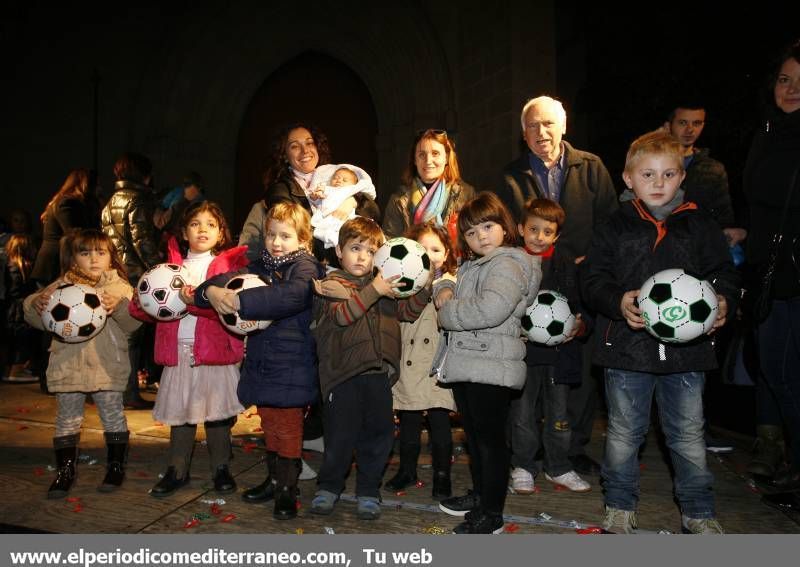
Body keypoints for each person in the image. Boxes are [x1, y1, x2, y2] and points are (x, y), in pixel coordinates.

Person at [581, 130, 740, 534]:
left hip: (688, 354)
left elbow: (724, 273)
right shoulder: (614, 226)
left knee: (687, 434)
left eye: (668, 174)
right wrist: (616, 301)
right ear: (628, 179)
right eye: (648, 174)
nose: (658, 183)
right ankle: (619, 505)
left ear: (682, 177)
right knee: (623, 432)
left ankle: (699, 511)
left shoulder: (700, 225)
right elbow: (593, 278)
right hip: (626, 349)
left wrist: (723, 300)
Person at [499, 95, 619, 477]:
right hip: (529, 282)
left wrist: (594, 263)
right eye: (533, 125)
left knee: (575, 371)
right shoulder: (509, 176)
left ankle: (572, 448)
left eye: (548, 123)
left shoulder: (592, 167)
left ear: (563, 126)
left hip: (581, 283)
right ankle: (524, 452)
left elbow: (610, 223)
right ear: (523, 134)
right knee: (527, 377)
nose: (542, 132)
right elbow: (503, 229)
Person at [195, 202, 324, 520]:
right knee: (269, 422)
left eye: (285, 235)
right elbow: (212, 286)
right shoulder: (259, 267)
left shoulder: (306, 268)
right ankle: (274, 479)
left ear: (303, 240)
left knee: (289, 427)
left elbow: (290, 296)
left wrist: (238, 299)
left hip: (293, 361)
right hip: (263, 361)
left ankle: (287, 490)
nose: (276, 242)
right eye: (270, 235)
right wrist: (210, 292)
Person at [310, 217, 431, 520]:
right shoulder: (331, 285)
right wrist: (374, 290)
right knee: (340, 436)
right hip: (343, 376)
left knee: (379, 436)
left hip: (378, 376)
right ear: (339, 251)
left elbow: (408, 312)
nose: (362, 256)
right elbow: (342, 316)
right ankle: (329, 487)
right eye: (355, 248)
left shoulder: (384, 286)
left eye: (370, 250)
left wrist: (423, 284)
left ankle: (367, 489)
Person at [434, 192, 541, 534]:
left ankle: (492, 513)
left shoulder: (507, 262)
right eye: (471, 232)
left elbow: (490, 309)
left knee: (490, 442)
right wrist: (445, 288)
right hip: (472, 361)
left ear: (505, 226)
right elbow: (458, 288)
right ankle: (482, 495)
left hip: (490, 364)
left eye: (488, 226)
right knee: (477, 439)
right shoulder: (476, 265)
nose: (481, 236)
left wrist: (446, 312)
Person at [129, 202, 248, 498]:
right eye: (195, 224)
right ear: (184, 232)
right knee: (181, 414)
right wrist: (141, 300)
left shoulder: (226, 269)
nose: (203, 229)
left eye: (210, 223)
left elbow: (230, 311)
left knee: (217, 415)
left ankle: (221, 468)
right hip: (178, 353)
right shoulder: (167, 269)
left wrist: (195, 301)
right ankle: (177, 469)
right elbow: (146, 311)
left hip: (213, 354)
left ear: (221, 232)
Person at [23, 229, 141, 498]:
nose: (93, 258)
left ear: (111, 257)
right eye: (85, 252)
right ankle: (65, 470)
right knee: (67, 419)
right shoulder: (61, 286)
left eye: (100, 252)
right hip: (69, 364)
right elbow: (33, 316)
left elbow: (135, 322)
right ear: (73, 258)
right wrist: (35, 303)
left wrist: (121, 307)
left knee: (112, 415)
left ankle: (115, 466)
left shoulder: (119, 287)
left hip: (106, 364)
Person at [743, 39, 800, 495]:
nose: (792, 88)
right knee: (775, 369)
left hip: (795, 273)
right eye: (785, 79)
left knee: (785, 372)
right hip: (769, 270)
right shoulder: (768, 129)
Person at [508, 198, 591, 495]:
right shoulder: (511, 263)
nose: (539, 237)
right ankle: (523, 466)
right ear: (520, 229)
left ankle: (558, 466)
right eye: (533, 229)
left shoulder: (567, 265)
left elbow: (583, 307)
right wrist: (511, 328)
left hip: (560, 356)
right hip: (524, 355)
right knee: (522, 414)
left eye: (547, 232)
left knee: (559, 414)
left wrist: (580, 327)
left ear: (556, 235)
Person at [385, 222, 457, 500]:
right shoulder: (403, 285)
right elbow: (407, 314)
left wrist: (442, 286)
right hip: (411, 361)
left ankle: (442, 474)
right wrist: (425, 286)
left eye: (436, 249)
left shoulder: (453, 281)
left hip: (439, 363)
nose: (430, 254)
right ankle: (407, 469)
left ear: (447, 252)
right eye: (423, 248)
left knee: (440, 423)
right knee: (409, 420)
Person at [239, 123, 379, 264]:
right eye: (295, 146)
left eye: (309, 143)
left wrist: (352, 199)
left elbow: (373, 211)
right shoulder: (280, 190)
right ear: (284, 155)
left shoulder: (335, 175)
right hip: (314, 264)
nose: (305, 150)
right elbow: (299, 232)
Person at [102, 152, 163, 409]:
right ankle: (129, 394)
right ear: (144, 174)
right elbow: (142, 241)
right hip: (135, 275)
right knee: (133, 336)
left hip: (114, 273)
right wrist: (158, 270)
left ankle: (117, 391)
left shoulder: (110, 201)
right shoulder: (138, 200)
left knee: (120, 334)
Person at [662, 104, 747, 246]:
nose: (690, 130)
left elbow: (724, 218)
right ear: (668, 126)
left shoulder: (713, 169)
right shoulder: (651, 164)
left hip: (698, 250)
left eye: (697, 123)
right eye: (683, 122)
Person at [383, 129, 475, 244]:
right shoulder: (398, 200)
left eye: (435, 154)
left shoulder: (466, 194)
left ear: (446, 158)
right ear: (415, 160)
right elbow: (390, 243)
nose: (428, 161)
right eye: (422, 155)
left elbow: (473, 236)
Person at [31, 169, 100, 286]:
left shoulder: (65, 202)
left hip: (55, 265)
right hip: (54, 266)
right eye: (96, 184)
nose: (99, 188)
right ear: (85, 184)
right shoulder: (68, 202)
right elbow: (74, 233)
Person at [308, 164, 377, 249]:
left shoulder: (351, 190)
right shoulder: (327, 189)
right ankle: (333, 244)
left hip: (346, 219)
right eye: (335, 178)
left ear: (353, 184)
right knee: (321, 231)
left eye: (345, 180)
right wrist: (315, 197)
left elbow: (365, 185)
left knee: (365, 229)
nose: (339, 180)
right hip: (327, 218)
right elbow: (317, 202)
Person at [2, 234, 39, 381]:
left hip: (11, 309)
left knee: (15, 342)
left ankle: (11, 370)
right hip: (19, 310)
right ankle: (17, 372)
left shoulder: (10, 264)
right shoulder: (21, 267)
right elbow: (17, 290)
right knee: (22, 342)